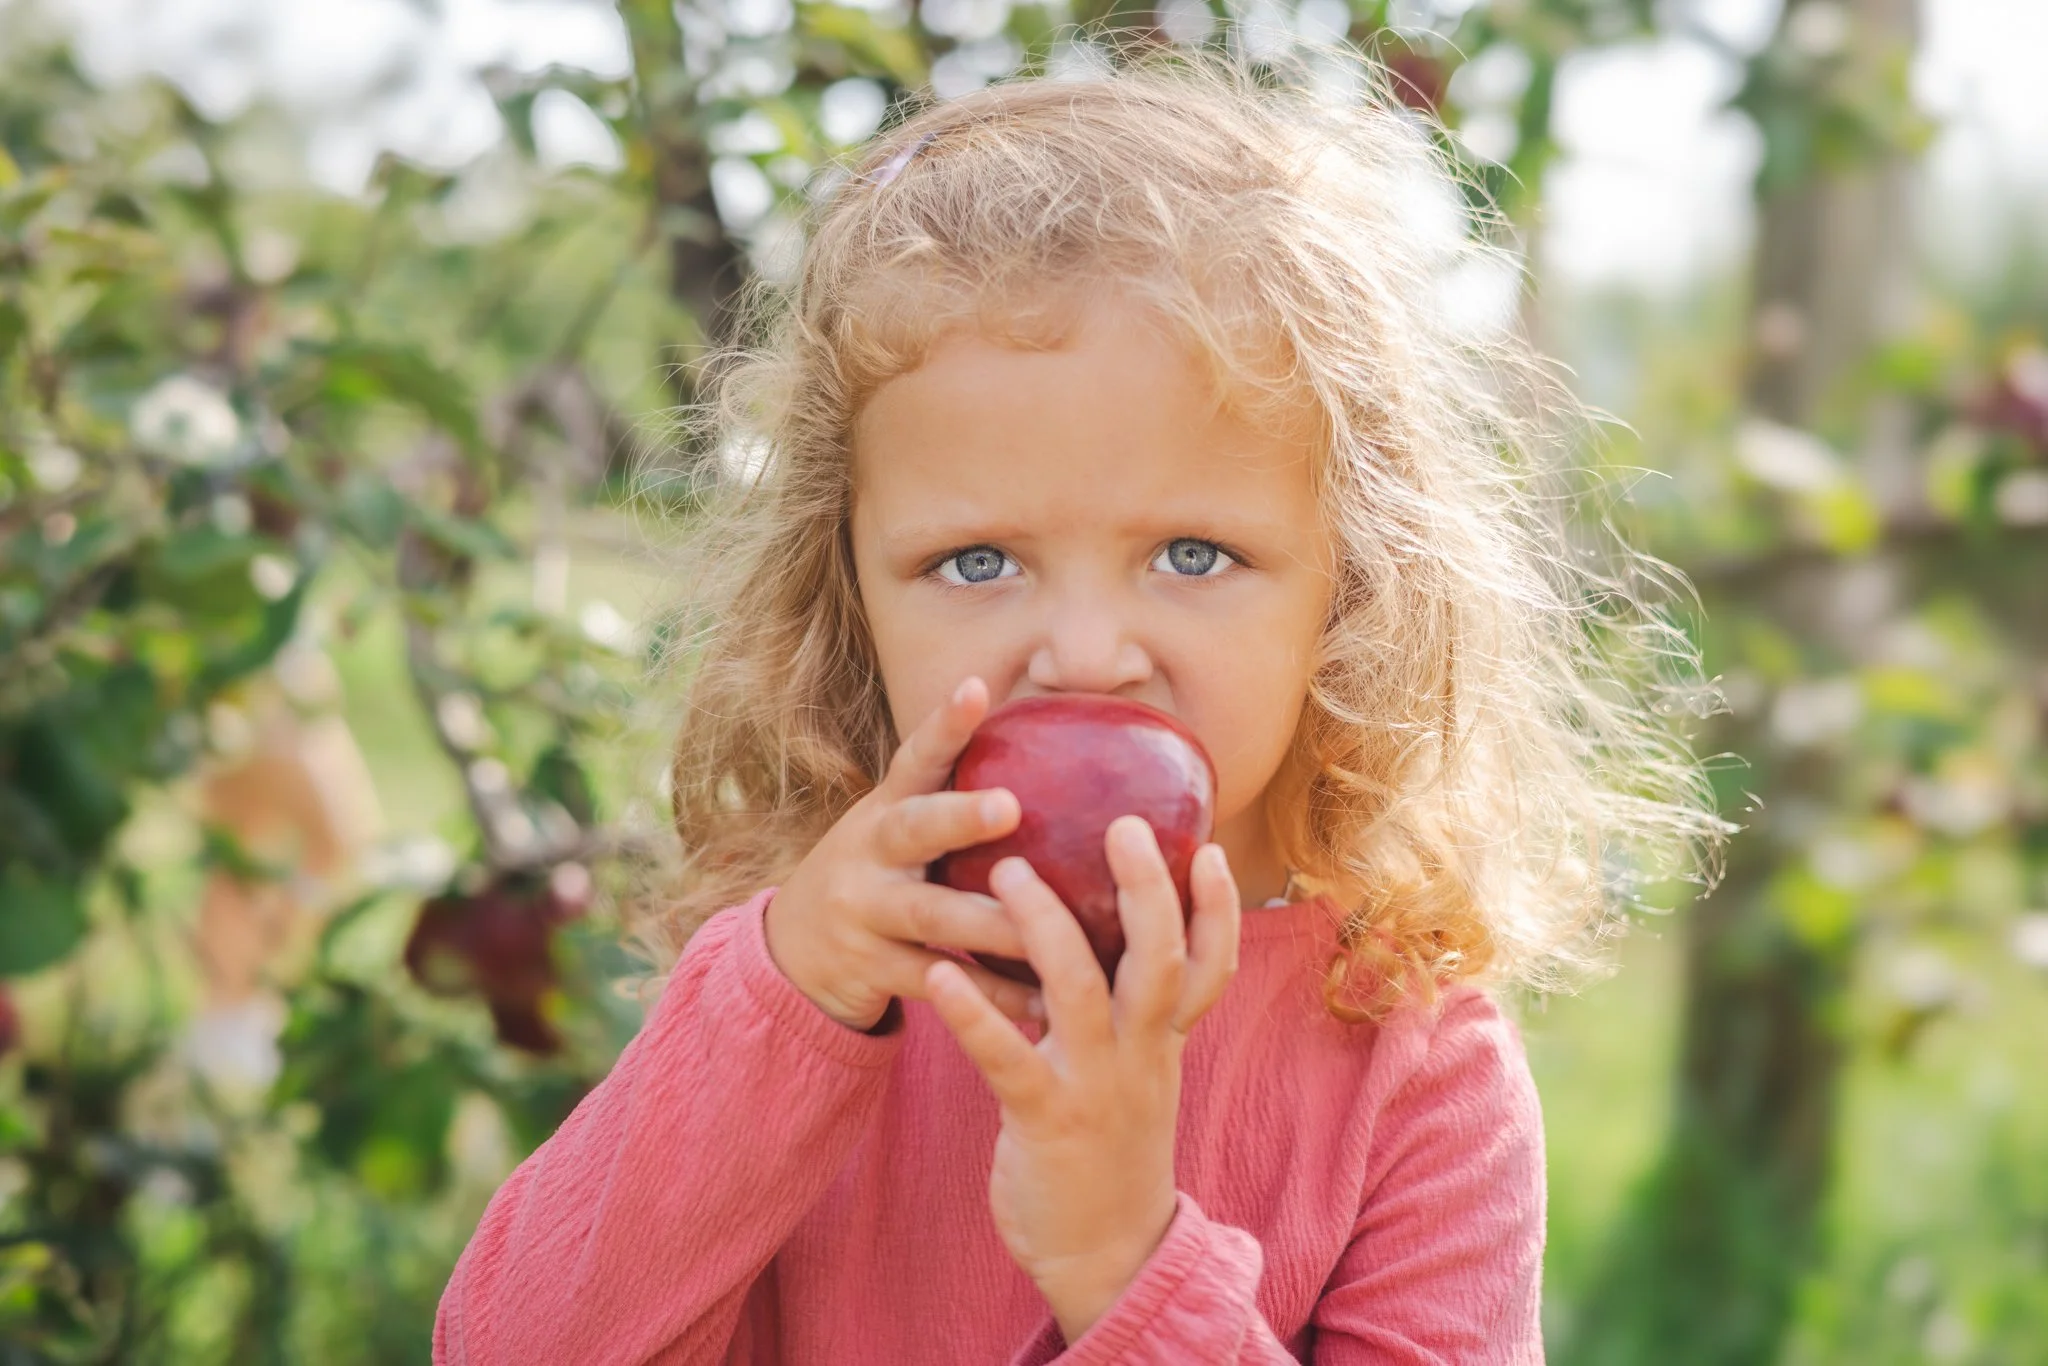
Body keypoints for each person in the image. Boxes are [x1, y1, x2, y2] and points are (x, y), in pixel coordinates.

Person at [433, 46, 1722, 1366]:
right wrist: (785, 996)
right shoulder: (820, 985)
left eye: (1193, 555)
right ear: (851, 595)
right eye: (977, 563)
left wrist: (1127, 1267)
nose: (1089, 655)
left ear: (1351, 586)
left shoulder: (1413, 1069)